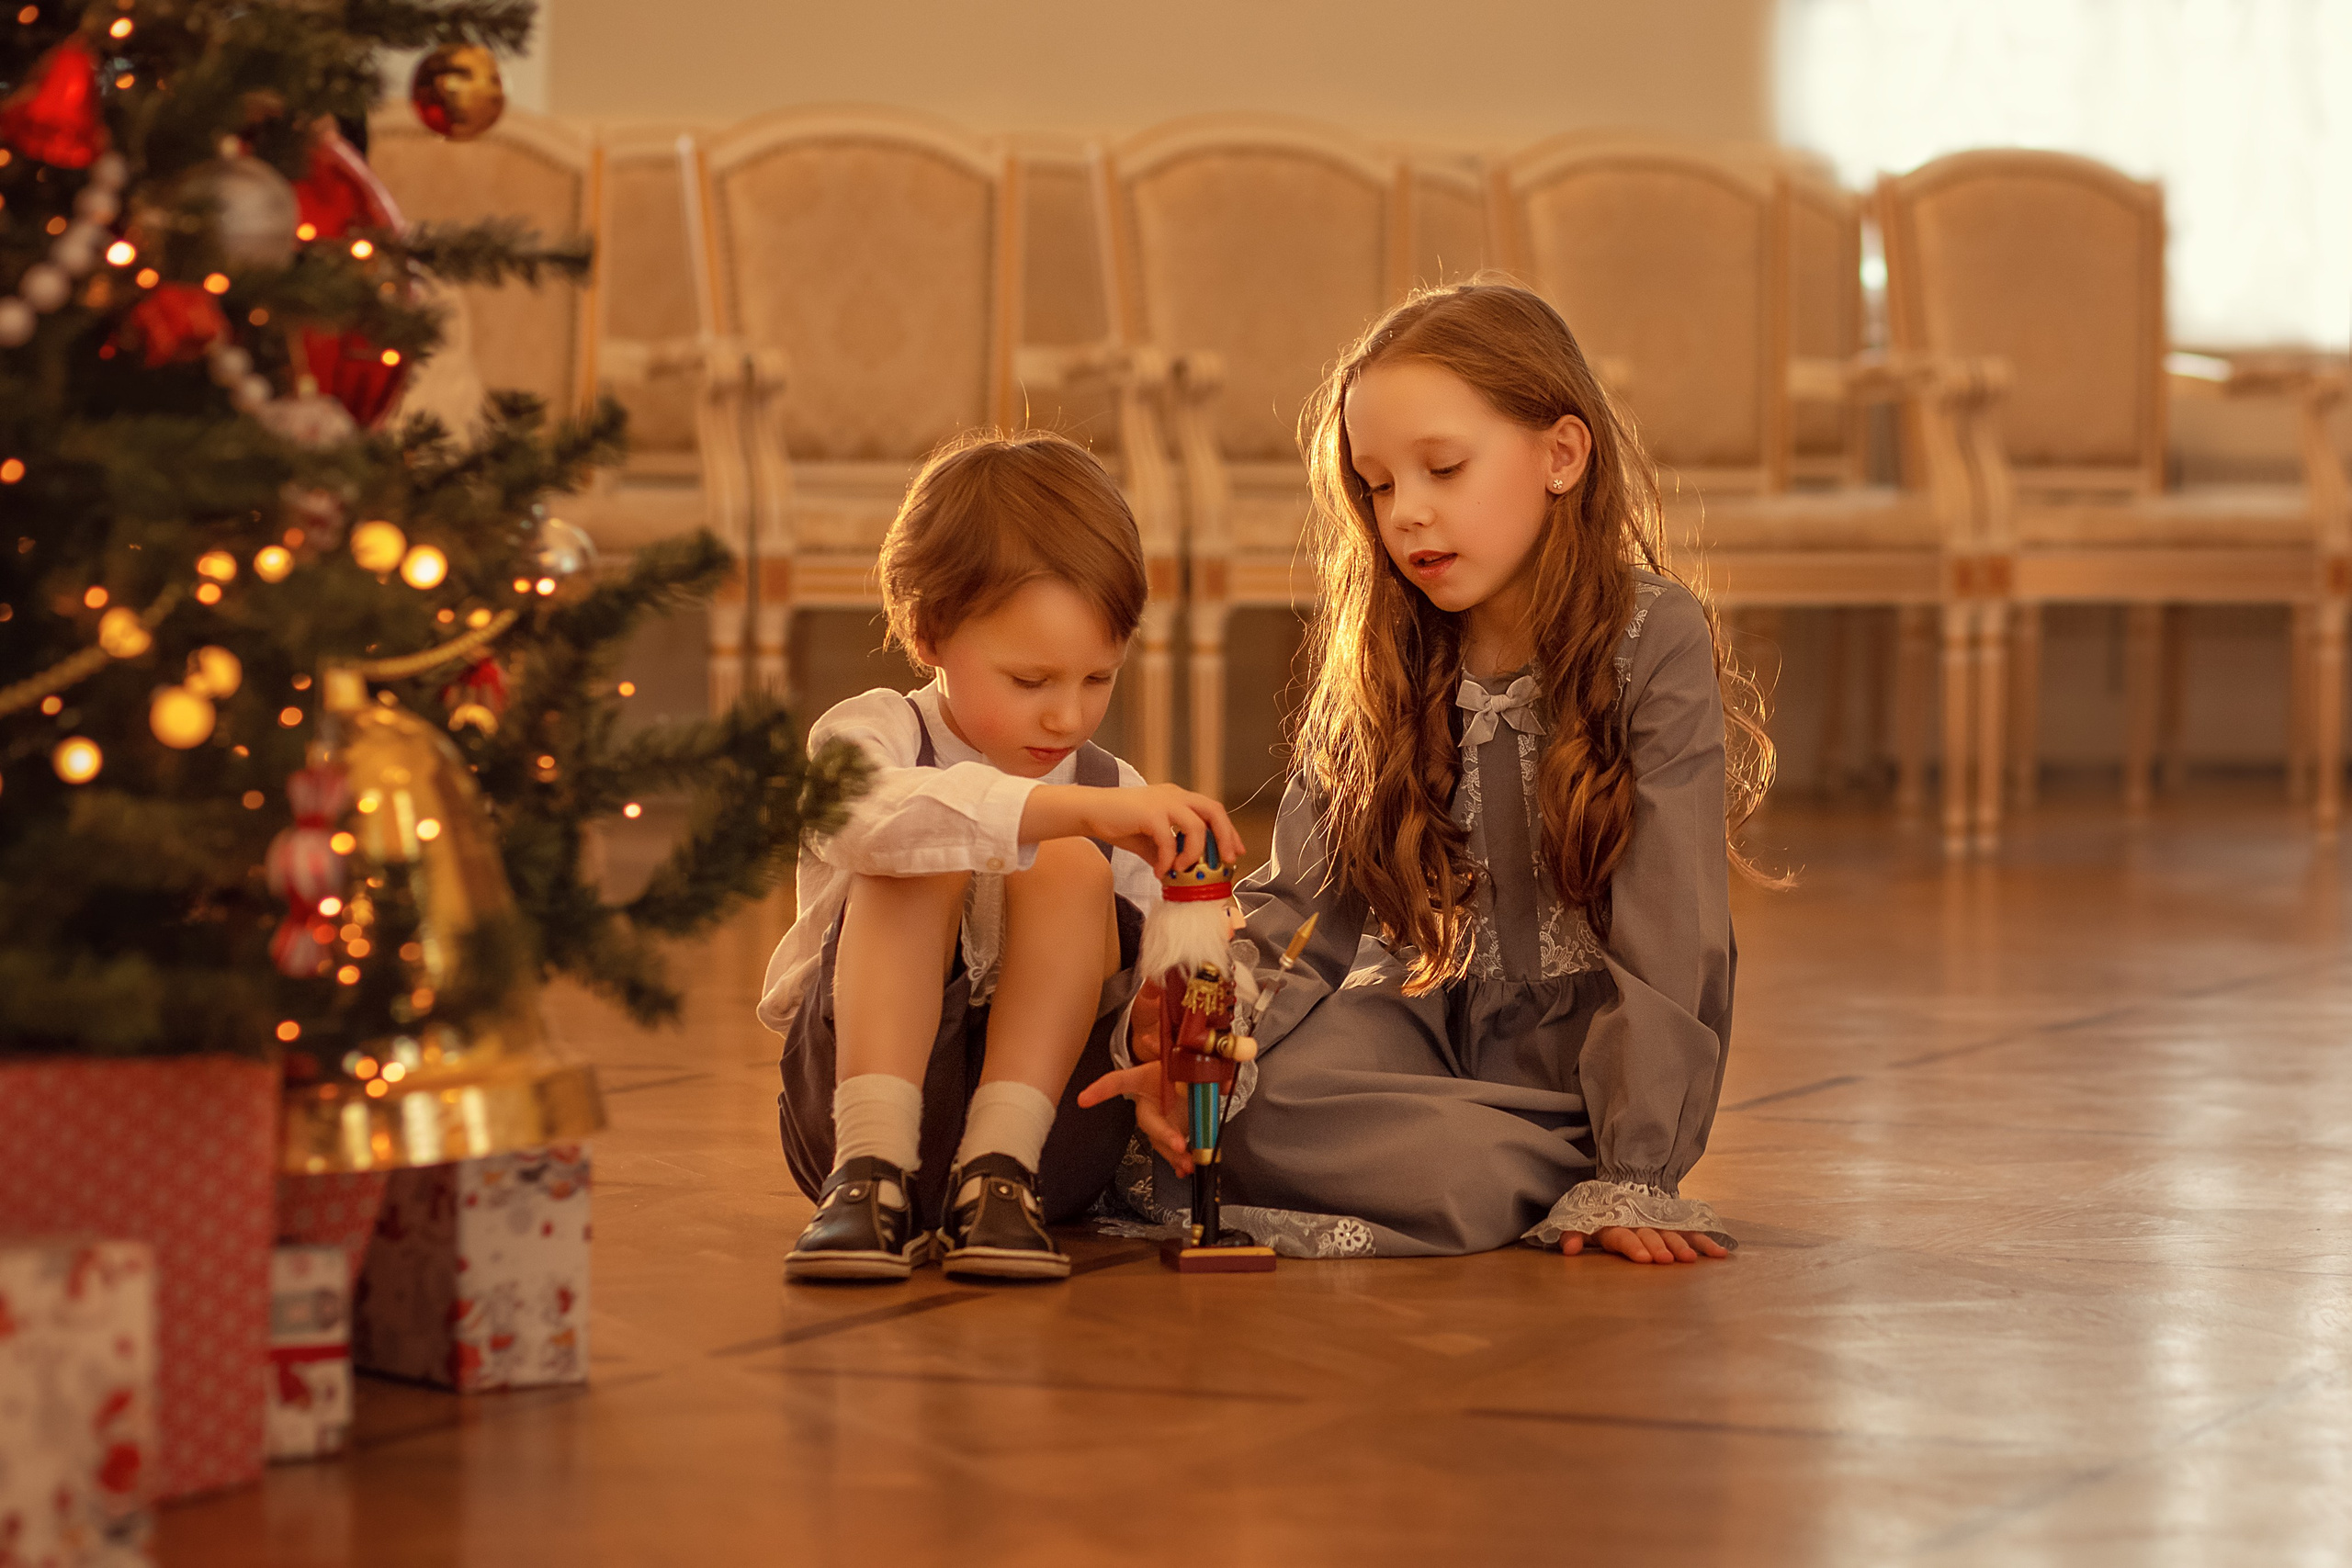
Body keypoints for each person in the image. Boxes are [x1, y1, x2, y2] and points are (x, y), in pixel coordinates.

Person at [1083, 281, 1774, 1262]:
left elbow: (1675, 927)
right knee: (1250, 1097)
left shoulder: (1651, 636)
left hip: (1573, 1080)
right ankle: (1225, 1137)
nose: (1405, 514)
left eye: (1443, 469)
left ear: (1561, 456)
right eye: (1377, 483)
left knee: (1466, 1170)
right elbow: (1299, 917)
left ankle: (1570, 1176)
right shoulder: (1379, 649)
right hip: (1400, 1040)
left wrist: (1639, 1166)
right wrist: (1204, 1048)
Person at [760, 432, 1241, 1283]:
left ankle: (998, 1181)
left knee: (1069, 866)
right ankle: (866, 1184)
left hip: (1050, 1142)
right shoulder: (870, 733)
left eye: (1098, 679)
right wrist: (1076, 811)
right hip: (850, 1124)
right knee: (920, 850)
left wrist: (1162, 1030)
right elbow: (865, 818)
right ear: (930, 633)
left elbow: (1140, 998)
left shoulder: (1109, 789)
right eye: (1031, 681)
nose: (1068, 718)